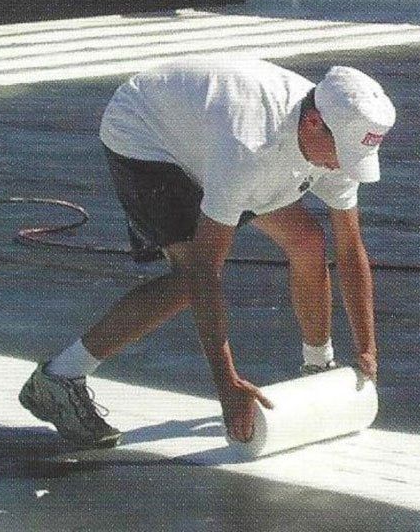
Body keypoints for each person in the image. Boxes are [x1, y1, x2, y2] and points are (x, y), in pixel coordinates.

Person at [19, 58, 396, 448]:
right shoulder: (248, 148)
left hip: (206, 131)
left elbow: (349, 250)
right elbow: (205, 272)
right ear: (313, 122)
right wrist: (227, 386)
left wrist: (367, 348)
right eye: (342, 154)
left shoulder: (333, 136)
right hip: (145, 132)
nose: (343, 167)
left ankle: (317, 364)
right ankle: (59, 377)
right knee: (186, 281)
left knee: (308, 242)